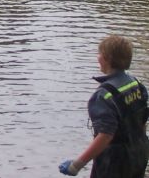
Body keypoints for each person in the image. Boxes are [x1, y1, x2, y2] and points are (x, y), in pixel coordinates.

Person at [59, 35, 149, 177]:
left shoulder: (103, 95)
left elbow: (106, 135)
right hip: (139, 151)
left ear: (106, 59)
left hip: (115, 161)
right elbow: (142, 121)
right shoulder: (136, 84)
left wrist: (76, 165)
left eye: (99, 53)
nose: (97, 57)